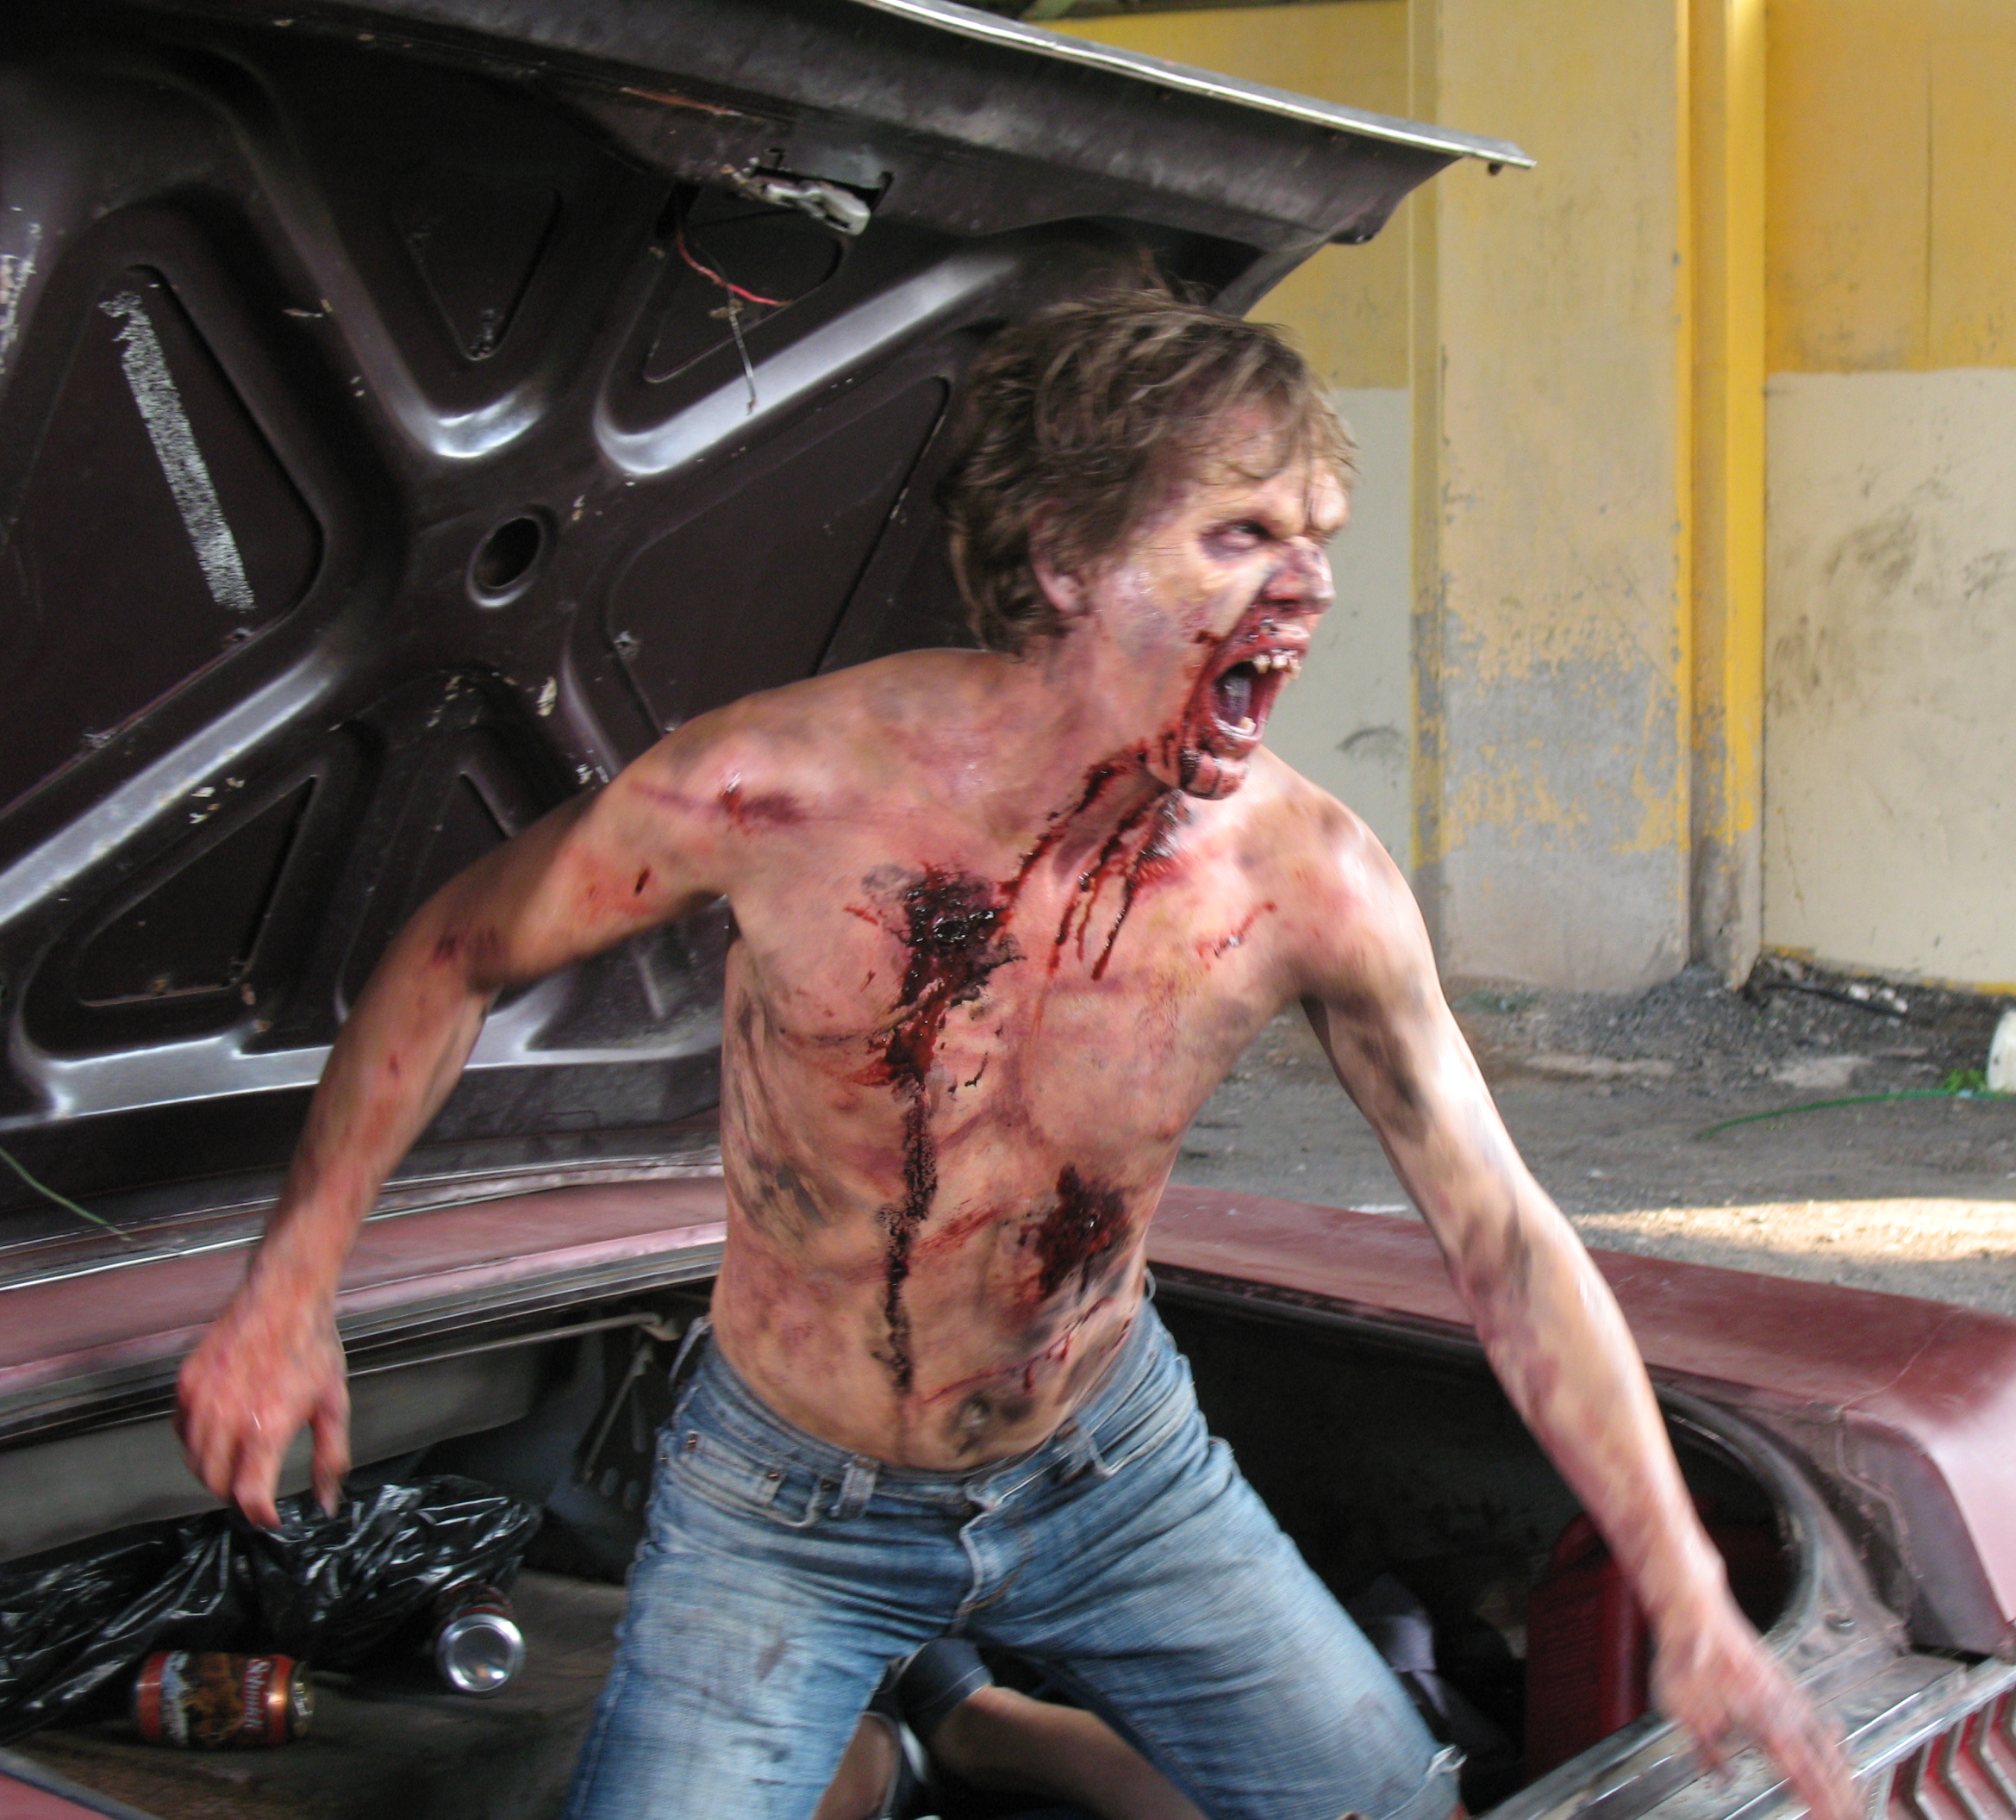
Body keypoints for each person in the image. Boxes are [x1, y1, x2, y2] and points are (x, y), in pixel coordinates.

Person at [174, 290, 1860, 1820]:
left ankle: (964, 1726)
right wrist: (290, 1288)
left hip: (1116, 1470)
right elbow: (458, 951)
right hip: (781, 1504)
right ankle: (941, 1728)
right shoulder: (780, 791)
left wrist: (1686, 1594)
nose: (1309, 583)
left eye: (1317, 537)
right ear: (1064, 559)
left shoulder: (1309, 888)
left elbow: (1504, 1240)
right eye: (1240, 532)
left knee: (1393, 1812)